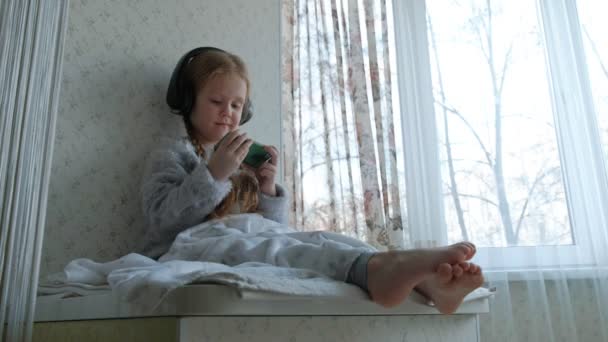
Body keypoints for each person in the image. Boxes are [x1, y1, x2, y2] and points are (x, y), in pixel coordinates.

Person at [140, 47, 484, 314]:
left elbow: (271, 229)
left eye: (237, 104)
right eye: (216, 101)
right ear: (188, 101)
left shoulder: (244, 156)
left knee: (319, 238)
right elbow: (161, 222)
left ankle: (426, 285)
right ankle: (379, 271)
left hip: (236, 239)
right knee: (274, 249)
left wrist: (267, 189)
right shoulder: (174, 155)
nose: (228, 112)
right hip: (189, 247)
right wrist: (214, 173)